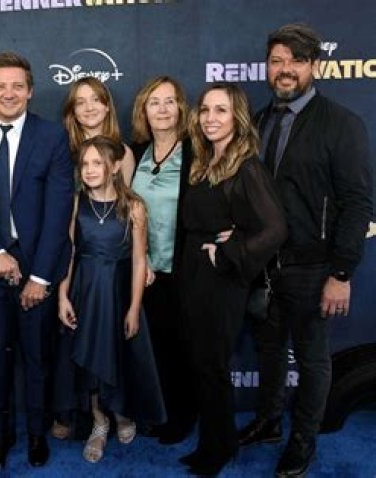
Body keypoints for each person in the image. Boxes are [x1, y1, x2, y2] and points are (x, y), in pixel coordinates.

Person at [238, 24, 373, 478]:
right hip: (265, 268)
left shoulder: (341, 124)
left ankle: (303, 442)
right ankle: (268, 422)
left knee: (313, 360)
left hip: (314, 267)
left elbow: (358, 203)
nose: (285, 69)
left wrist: (341, 272)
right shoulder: (258, 121)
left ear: (314, 65)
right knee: (270, 352)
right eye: (277, 60)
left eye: (296, 60)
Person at [0, 51, 74, 468]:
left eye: (17, 86)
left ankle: (37, 435)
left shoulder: (52, 136)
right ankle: (2, 435)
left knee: (37, 358)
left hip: (37, 264)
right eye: (0, 86)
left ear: (30, 91)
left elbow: (59, 211)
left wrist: (40, 277)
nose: (9, 93)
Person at [178, 83, 287, 476]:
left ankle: (219, 449)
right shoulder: (204, 160)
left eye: (221, 110)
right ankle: (214, 441)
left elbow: (275, 229)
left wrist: (229, 251)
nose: (210, 118)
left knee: (214, 366)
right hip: (193, 273)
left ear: (237, 117)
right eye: (205, 109)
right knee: (202, 363)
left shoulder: (247, 166)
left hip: (221, 279)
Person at [55, 135, 166, 463]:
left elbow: (139, 261)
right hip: (85, 289)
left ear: (115, 166)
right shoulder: (76, 203)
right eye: (84, 164)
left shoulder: (134, 206)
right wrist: (62, 296)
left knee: (119, 353)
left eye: (97, 163)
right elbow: (68, 253)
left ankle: (121, 413)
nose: (89, 170)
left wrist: (134, 307)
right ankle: (99, 422)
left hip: (118, 292)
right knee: (88, 356)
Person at [129, 76, 197, 444]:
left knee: (182, 346)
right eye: (154, 102)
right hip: (145, 270)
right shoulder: (136, 151)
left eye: (170, 101)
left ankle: (183, 417)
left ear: (181, 108)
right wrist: (140, 260)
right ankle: (157, 412)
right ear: (144, 110)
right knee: (153, 347)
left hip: (182, 270)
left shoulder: (196, 153)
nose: (162, 109)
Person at [62, 77, 135, 183]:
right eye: (81, 103)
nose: (89, 108)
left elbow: (124, 192)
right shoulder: (61, 150)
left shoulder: (123, 153)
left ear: (107, 106)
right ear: (73, 111)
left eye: (96, 100)